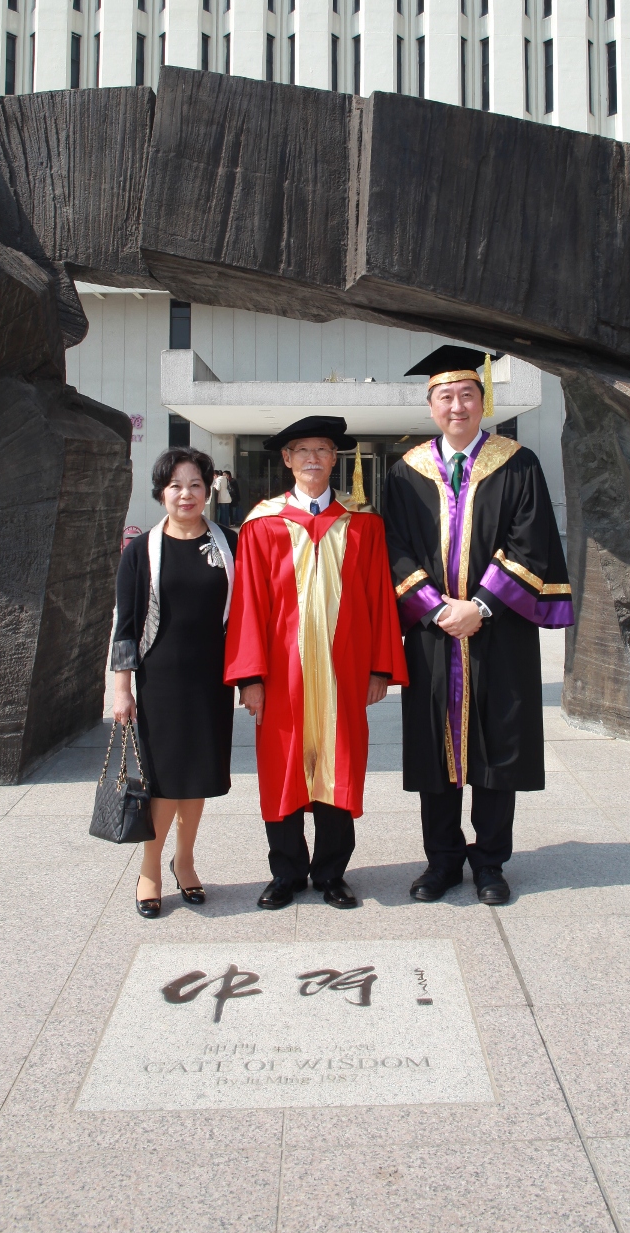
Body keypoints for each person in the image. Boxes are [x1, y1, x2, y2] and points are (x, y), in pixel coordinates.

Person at [381, 347, 574, 906]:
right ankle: (440, 861)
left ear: (483, 403)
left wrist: (481, 605)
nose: (457, 405)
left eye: (467, 395)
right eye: (446, 396)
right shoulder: (406, 471)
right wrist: (435, 605)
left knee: (498, 745)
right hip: (431, 631)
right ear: (431, 406)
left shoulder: (519, 463)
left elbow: (530, 543)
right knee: (432, 751)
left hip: (499, 631)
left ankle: (490, 863)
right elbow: (392, 546)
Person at [225, 416, 407, 910]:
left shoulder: (363, 526)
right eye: (301, 450)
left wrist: (379, 669)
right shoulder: (261, 525)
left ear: (335, 459)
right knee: (282, 768)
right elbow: (247, 607)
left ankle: (331, 873)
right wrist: (249, 678)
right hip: (281, 678)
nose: (311, 458)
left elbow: (378, 601)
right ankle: (285, 873)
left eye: (322, 450)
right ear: (286, 459)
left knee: (339, 765)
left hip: (343, 673)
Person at [111, 447, 236, 918]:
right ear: (161, 492)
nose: (186, 494)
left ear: (209, 491)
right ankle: (150, 868)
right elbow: (125, 626)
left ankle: (184, 861)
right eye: (175, 486)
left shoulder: (230, 544)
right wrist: (121, 688)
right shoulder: (141, 550)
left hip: (211, 680)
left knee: (197, 777)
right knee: (162, 782)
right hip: (159, 680)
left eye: (195, 485)